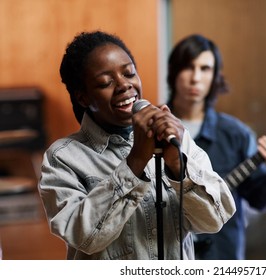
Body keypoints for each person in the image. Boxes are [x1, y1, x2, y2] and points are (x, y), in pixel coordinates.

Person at [38, 30, 236, 260]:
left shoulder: (174, 135)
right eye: (105, 82)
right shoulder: (62, 158)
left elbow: (214, 220)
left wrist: (177, 165)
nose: (124, 85)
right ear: (83, 98)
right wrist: (135, 161)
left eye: (129, 73)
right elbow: (85, 237)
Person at [166, 34, 266, 260]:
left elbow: (260, 200)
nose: (195, 78)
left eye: (205, 69)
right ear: (174, 71)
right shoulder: (151, 128)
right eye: (188, 67)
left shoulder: (236, 135)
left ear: (215, 76)